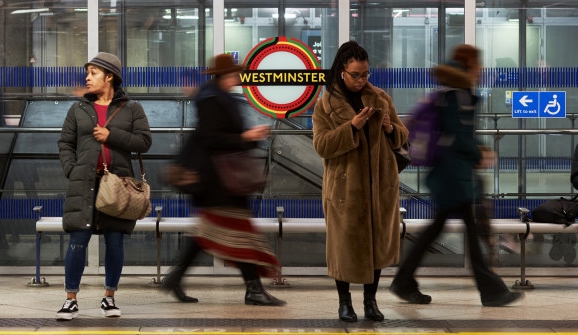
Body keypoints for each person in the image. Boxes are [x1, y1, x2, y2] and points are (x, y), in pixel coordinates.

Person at [390, 44, 524, 307]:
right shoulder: (459, 95)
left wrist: (475, 150)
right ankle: (491, 291)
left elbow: (455, 136)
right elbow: (458, 139)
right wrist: (479, 154)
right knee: (470, 231)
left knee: (440, 227)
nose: (481, 69)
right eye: (478, 64)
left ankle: (404, 280)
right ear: (470, 66)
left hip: (449, 174)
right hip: (454, 176)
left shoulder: (450, 92)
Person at [160, 53, 285, 307]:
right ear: (224, 75)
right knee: (240, 231)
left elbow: (226, 134)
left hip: (225, 178)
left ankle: (176, 276)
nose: (237, 77)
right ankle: (253, 289)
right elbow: (212, 138)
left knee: (211, 232)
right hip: (219, 179)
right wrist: (247, 137)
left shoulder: (218, 97)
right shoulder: (212, 100)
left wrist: (251, 136)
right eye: (234, 74)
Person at [312, 41, 408, 322]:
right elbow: (321, 146)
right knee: (344, 247)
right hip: (345, 189)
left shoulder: (380, 98)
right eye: (356, 74)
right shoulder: (325, 105)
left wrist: (391, 129)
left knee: (376, 245)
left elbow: (402, 135)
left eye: (365, 74)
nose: (361, 80)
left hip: (380, 186)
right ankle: (344, 302)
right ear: (342, 71)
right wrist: (351, 127)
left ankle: (370, 301)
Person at [56, 52, 152, 320]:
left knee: (115, 241)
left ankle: (109, 297)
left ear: (110, 76)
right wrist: (71, 170)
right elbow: (65, 143)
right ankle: (70, 299)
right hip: (84, 183)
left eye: (93, 73)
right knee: (78, 239)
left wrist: (112, 136)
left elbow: (144, 142)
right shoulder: (78, 109)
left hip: (117, 184)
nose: (87, 78)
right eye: (87, 73)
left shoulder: (132, 108)